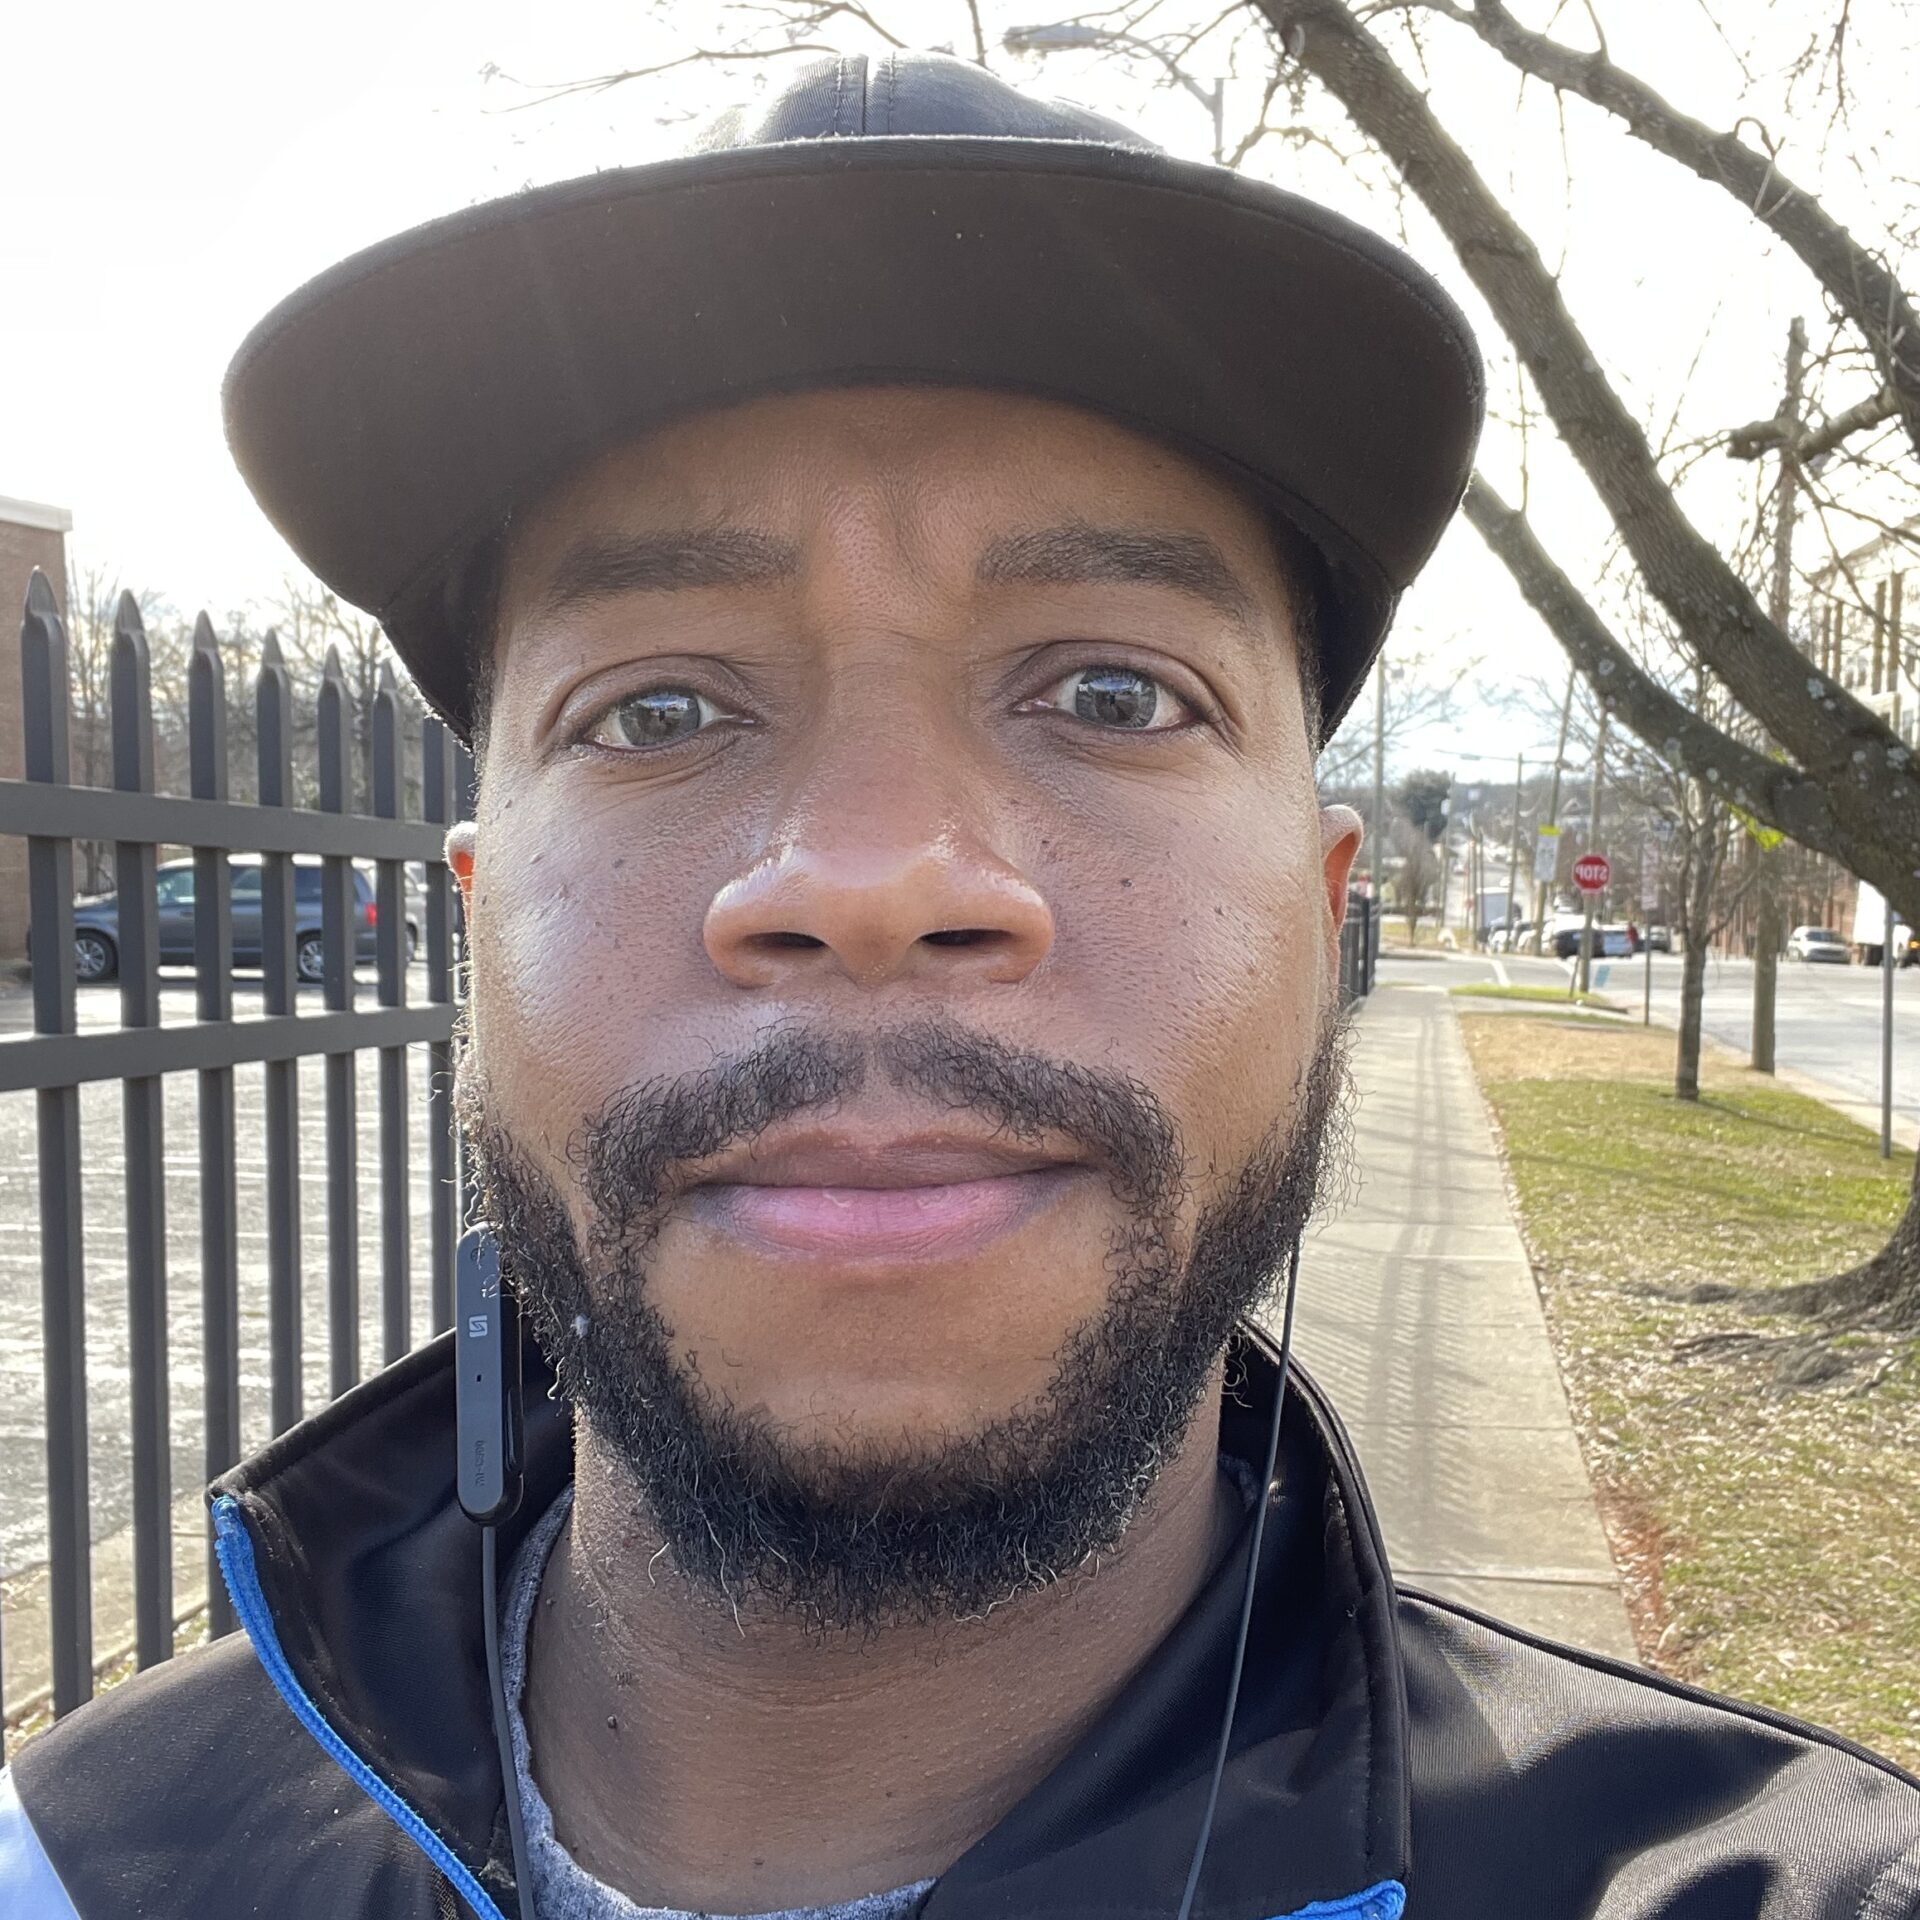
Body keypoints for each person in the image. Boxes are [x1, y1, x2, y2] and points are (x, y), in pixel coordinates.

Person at [4, 49, 1917, 1920]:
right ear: (476, 933)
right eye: (657, 709)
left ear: (1325, 917)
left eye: (1115, 692)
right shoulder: (68, 1867)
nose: (874, 877)